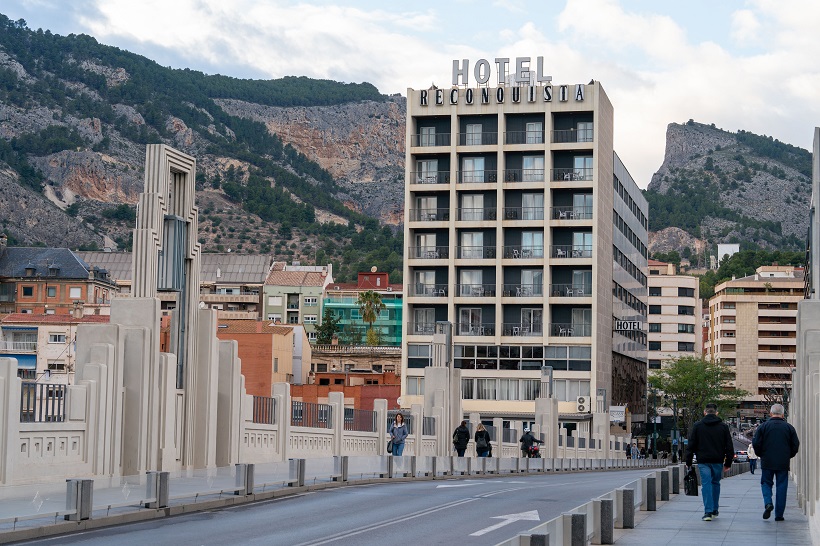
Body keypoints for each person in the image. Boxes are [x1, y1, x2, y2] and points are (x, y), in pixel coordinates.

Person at [685, 403, 734, 522]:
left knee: (706, 484)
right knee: (715, 483)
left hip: (703, 461)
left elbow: (691, 445)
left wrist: (689, 461)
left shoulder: (698, 426)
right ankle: (715, 509)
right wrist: (728, 463)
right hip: (717, 460)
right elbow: (729, 446)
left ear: (704, 412)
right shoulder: (723, 427)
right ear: (716, 413)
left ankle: (708, 511)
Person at [752, 404, 800, 522]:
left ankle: (768, 502)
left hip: (767, 461)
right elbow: (795, 445)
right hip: (783, 462)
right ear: (783, 415)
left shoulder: (763, 427)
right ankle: (779, 515)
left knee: (766, 483)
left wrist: (761, 454)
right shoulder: (789, 428)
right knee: (782, 486)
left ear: (770, 414)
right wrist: (788, 455)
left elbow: (756, 443)